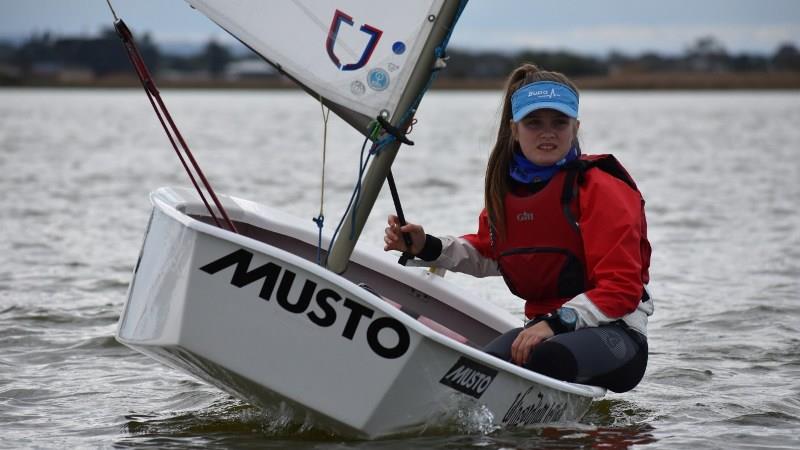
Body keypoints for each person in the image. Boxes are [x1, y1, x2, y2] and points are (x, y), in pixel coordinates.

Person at [383, 64, 653, 393]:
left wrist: (555, 323)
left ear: (576, 127)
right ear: (514, 128)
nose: (547, 132)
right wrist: (427, 247)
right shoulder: (507, 190)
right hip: (544, 332)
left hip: (616, 334)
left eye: (559, 122)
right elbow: (488, 255)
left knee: (546, 358)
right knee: (468, 376)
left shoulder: (600, 186)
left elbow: (623, 286)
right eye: (533, 122)